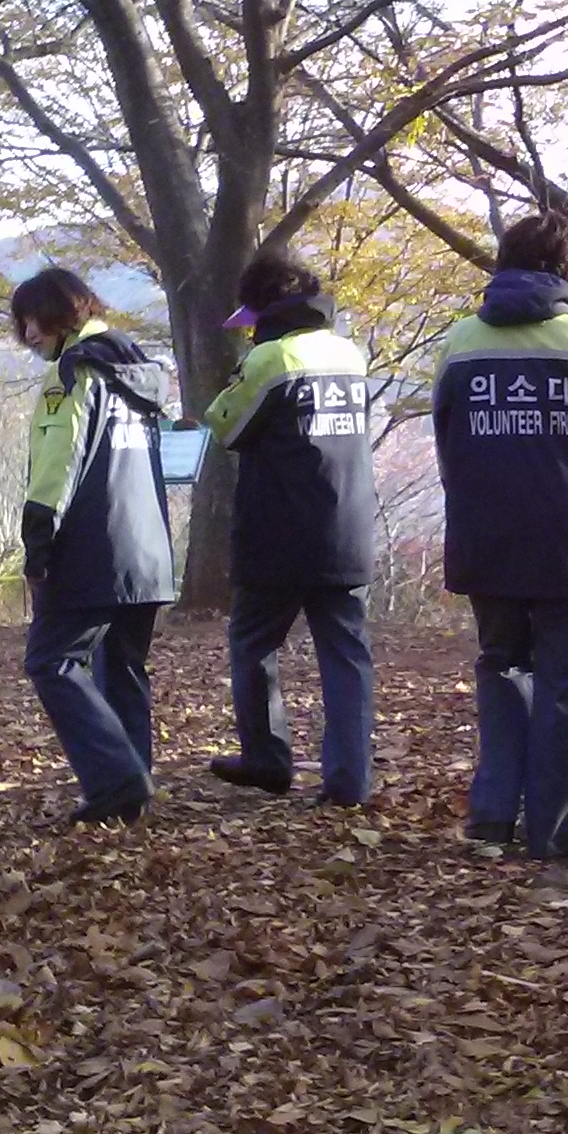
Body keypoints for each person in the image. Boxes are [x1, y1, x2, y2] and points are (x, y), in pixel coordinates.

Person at [430, 210, 568, 860]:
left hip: (485, 534)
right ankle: (552, 829)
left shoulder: (461, 340)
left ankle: (492, 816)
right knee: (563, 686)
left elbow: (445, 438)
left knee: (501, 667)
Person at [198, 248, 379, 805]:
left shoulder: (271, 359)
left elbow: (226, 424)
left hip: (278, 531)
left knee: (254, 643)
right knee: (346, 654)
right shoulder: (349, 353)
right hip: (348, 527)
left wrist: (237, 377)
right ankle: (349, 781)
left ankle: (267, 759)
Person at [11, 266, 179, 825]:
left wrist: (38, 544)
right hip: (148, 551)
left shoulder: (74, 374)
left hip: (91, 549)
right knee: (122, 666)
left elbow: (57, 467)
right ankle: (132, 784)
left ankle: (117, 780)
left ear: (64, 313)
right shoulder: (139, 372)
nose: (29, 333)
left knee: (50, 660)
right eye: (22, 323)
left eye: (34, 320)